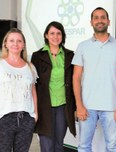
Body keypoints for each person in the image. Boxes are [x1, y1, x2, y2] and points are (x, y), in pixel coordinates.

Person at [72, 7, 116, 152]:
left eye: (103, 17)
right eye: (96, 18)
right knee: (84, 146)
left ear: (108, 21)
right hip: (87, 106)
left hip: (111, 107)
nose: (100, 20)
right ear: (91, 22)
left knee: (112, 147)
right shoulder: (82, 46)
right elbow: (76, 77)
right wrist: (79, 105)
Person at [31, 21, 76, 152]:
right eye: (52, 33)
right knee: (47, 145)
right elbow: (33, 84)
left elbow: (74, 82)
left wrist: (76, 107)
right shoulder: (37, 56)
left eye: (58, 33)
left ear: (62, 36)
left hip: (63, 106)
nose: (55, 36)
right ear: (46, 35)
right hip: (44, 107)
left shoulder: (70, 55)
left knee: (58, 143)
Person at [0, 28, 38, 152]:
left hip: (26, 118)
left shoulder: (30, 67)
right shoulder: (1, 65)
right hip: (4, 118)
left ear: (23, 45)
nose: (15, 44)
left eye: (19, 41)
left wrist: (35, 114)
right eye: (11, 40)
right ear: (5, 43)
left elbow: (33, 91)